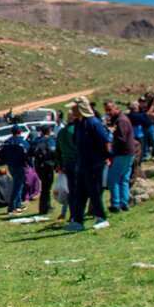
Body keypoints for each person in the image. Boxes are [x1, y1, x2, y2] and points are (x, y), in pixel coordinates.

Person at [64, 97, 111, 231]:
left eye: (74, 108)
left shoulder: (93, 123)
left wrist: (106, 157)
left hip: (94, 163)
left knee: (94, 191)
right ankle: (78, 221)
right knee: (80, 193)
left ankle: (101, 218)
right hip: (82, 164)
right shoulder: (79, 123)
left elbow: (105, 141)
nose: (72, 110)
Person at [104, 100, 135, 213]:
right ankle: (124, 202)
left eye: (109, 110)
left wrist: (112, 132)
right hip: (128, 153)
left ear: (116, 108)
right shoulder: (119, 119)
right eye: (106, 110)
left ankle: (116, 204)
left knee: (114, 179)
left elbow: (122, 138)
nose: (108, 112)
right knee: (123, 179)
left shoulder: (121, 121)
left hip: (122, 153)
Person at [0, 124, 30, 214]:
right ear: (20, 132)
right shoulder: (22, 142)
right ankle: (12, 206)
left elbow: (0, 153)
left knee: (18, 184)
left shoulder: (7, 142)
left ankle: (18, 204)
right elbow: (28, 154)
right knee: (17, 186)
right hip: (20, 166)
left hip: (10, 166)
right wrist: (30, 164)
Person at [29, 125, 57, 216]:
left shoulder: (35, 141)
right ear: (48, 131)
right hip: (48, 166)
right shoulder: (50, 141)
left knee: (45, 186)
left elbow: (29, 153)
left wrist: (32, 165)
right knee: (46, 188)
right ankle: (44, 207)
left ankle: (47, 206)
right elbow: (54, 152)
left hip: (38, 166)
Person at [55, 118, 78, 222]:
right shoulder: (76, 130)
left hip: (65, 164)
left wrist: (59, 164)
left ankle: (70, 214)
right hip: (77, 162)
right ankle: (77, 215)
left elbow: (57, 150)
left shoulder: (61, 132)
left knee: (70, 190)